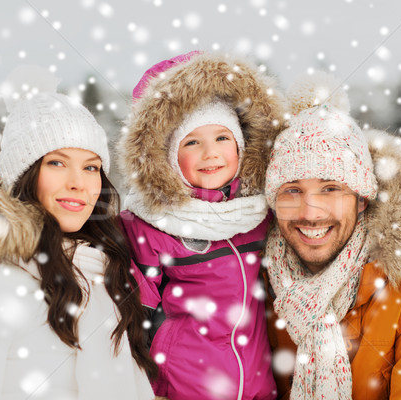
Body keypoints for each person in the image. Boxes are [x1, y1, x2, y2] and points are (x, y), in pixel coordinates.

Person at [0, 67, 156, 399]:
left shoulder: (96, 272)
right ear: (23, 174)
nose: (79, 182)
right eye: (57, 163)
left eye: (91, 167)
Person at [263, 72, 401, 399]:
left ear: (362, 199)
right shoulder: (250, 281)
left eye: (330, 188)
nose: (310, 212)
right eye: (292, 190)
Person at [118, 51, 285, 400]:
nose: (211, 154)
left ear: (241, 146)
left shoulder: (259, 215)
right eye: (193, 142)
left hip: (258, 386)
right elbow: (135, 320)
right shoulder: (150, 226)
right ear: (168, 157)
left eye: (222, 138)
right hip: (184, 388)